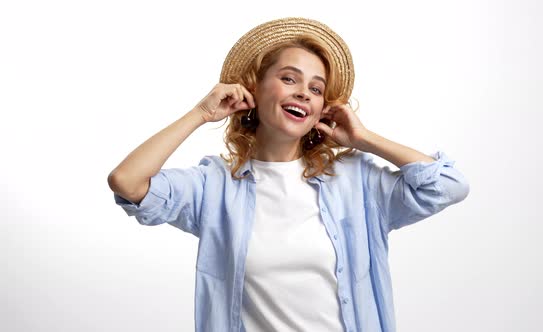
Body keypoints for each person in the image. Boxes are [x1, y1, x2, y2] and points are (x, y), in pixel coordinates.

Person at [108, 17, 470, 332]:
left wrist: (364, 139)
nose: (304, 93)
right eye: (289, 78)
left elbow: (448, 186)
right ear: (255, 88)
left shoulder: (355, 181)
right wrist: (201, 112)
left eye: (316, 88)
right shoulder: (214, 186)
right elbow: (127, 182)